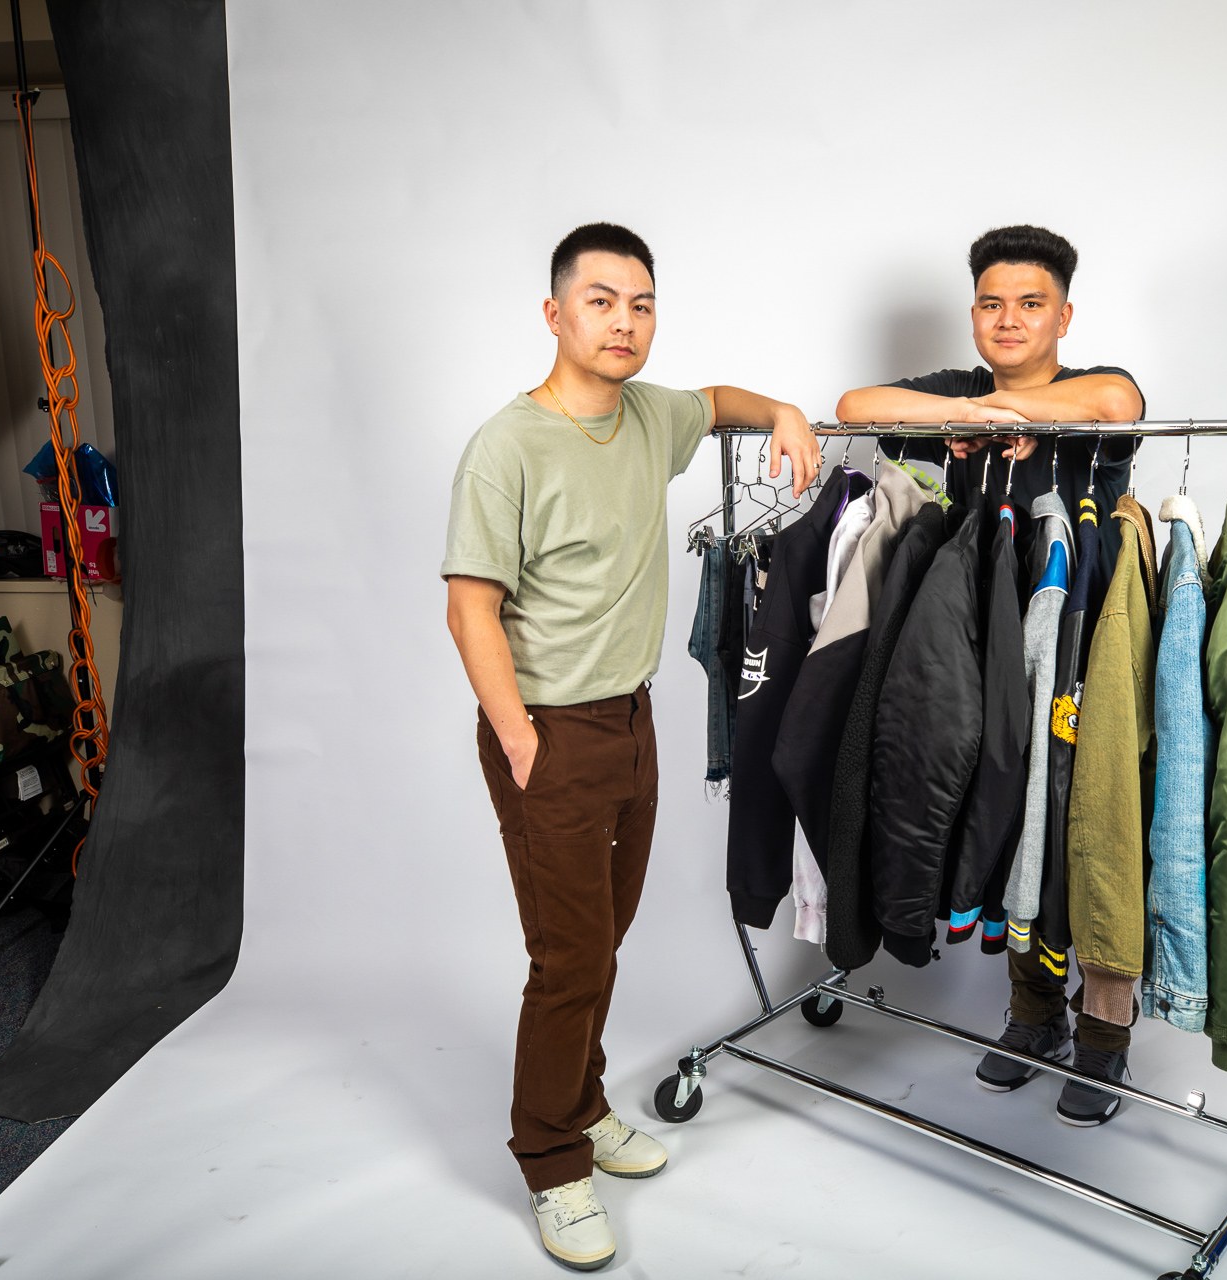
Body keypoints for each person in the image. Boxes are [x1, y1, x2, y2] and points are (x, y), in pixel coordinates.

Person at [443, 222, 820, 1272]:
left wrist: (785, 410)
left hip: (633, 720)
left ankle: (586, 1099)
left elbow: (725, 402)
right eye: (602, 299)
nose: (624, 320)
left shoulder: (650, 415)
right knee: (567, 958)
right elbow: (471, 608)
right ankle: (552, 1158)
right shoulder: (508, 444)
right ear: (557, 312)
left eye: (642, 302)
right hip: (551, 733)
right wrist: (520, 736)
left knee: (600, 942)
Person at [836, 224, 1146, 1127]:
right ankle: (1032, 1017)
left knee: (1080, 826)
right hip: (980, 647)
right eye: (991, 303)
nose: (1008, 320)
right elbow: (855, 404)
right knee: (1005, 818)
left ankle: (1105, 1035)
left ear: (1063, 315)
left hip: (1080, 634)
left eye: (1030, 304)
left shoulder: (1096, 390)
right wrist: (968, 417)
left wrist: (1024, 416)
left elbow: (1118, 401)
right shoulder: (957, 396)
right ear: (973, 312)